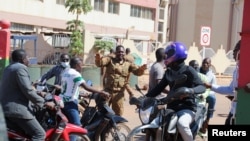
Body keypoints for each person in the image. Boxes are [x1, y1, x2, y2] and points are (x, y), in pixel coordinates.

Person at [146, 42, 206, 141]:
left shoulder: (189, 70)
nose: (166, 56)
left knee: (182, 124)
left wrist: (190, 90)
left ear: (175, 55)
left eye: (169, 53)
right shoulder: (169, 72)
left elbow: (202, 87)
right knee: (155, 125)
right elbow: (158, 88)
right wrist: (145, 98)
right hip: (171, 108)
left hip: (187, 108)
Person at [0, 49, 54, 140]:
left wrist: (38, 93)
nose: (29, 60)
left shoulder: (8, 68)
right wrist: (44, 102)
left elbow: (17, 88)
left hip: (5, 109)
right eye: (28, 57)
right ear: (22, 59)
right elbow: (27, 90)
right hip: (17, 110)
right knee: (40, 134)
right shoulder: (20, 68)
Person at [95, 45, 147, 116]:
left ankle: (115, 127)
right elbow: (100, 63)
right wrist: (98, 59)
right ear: (115, 53)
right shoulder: (110, 60)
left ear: (125, 53)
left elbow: (137, 72)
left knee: (118, 115)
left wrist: (142, 69)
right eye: (119, 52)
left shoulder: (128, 64)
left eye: (122, 52)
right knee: (102, 113)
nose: (120, 53)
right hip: (107, 92)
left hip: (119, 94)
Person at [60, 57, 110, 127]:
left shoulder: (66, 72)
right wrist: (101, 92)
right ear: (77, 65)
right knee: (77, 127)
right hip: (70, 103)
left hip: (62, 101)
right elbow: (86, 87)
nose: (82, 67)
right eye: (81, 65)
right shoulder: (75, 74)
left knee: (70, 125)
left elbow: (70, 87)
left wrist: (84, 94)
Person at [205, 40, 240, 125]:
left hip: (241, 112)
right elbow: (230, 89)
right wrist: (210, 86)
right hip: (234, 111)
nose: (233, 53)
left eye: (235, 50)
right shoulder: (237, 69)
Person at [199, 57, 217, 133]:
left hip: (207, 93)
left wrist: (206, 94)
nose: (205, 64)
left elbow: (213, 88)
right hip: (197, 92)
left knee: (213, 98)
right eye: (204, 63)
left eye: (207, 63)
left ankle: (207, 120)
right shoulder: (197, 71)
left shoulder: (212, 75)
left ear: (210, 65)